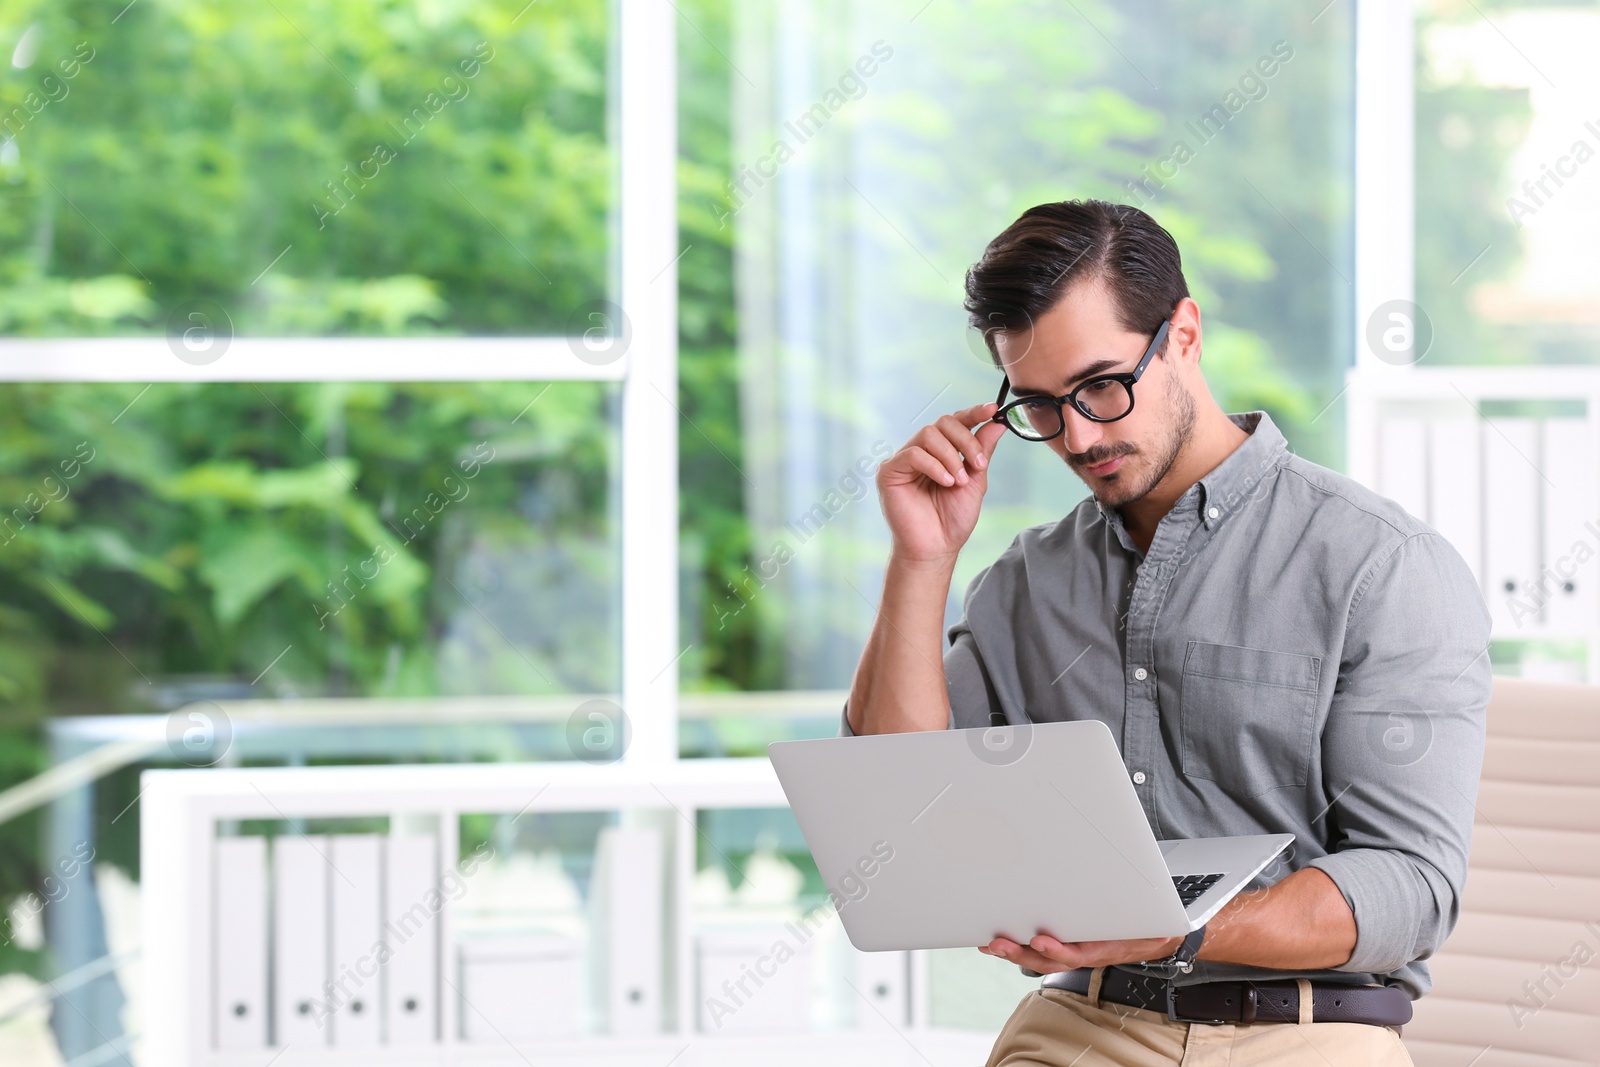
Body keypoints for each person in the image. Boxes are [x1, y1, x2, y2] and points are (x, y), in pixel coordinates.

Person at [841, 199, 1491, 1065]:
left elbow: (1412, 886)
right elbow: (898, 802)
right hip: (1077, 1026)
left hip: (1304, 1034)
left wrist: (1162, 929)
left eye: (1102, 385)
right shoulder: (1028, 581)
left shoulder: (1380, 566)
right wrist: (921, 560)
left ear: (1183, 332)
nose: (1077, 434)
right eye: (1038, 405)